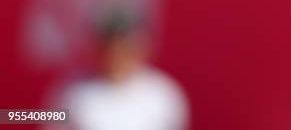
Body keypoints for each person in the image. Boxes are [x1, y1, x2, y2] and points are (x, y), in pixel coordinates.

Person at [45, 7, 189, 130]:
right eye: (109, 43)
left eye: (125, 44)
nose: (117, 52)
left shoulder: (165, 95)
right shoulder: (70, 92)